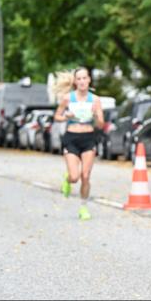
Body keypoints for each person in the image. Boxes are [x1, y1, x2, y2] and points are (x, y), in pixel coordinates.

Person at [53, 67, 103, 220]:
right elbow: (57, 116)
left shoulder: (95, 100)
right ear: (75, 82)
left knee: (85, 176)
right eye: (79, 79)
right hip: (72, 138)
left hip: (88, 138)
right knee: (75, 177)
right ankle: (68, 179)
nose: (82, 81)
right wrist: (67, 116)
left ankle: (83, 207)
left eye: (84, 78)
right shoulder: (68, 98)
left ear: (89, 80)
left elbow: (101, 124)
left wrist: (95, 114)